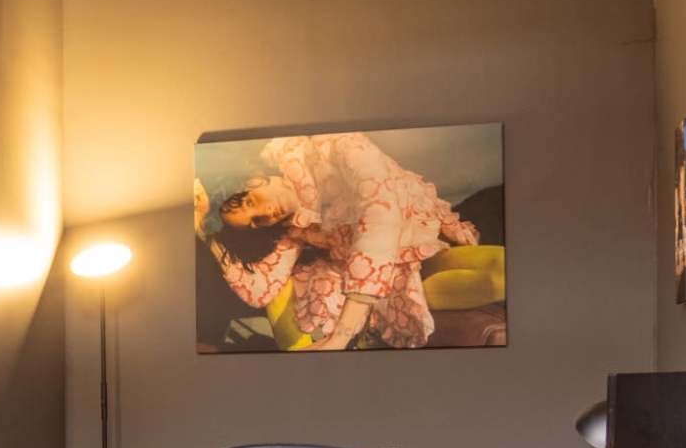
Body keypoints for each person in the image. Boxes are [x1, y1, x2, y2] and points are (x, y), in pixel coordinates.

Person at [198, 131, 482, 351]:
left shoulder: (336, 146)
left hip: (421, 237)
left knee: (485, 279)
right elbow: (259, 290)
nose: (265, 215)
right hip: (373, 273)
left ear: (253, 176)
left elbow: (380, 219)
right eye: (253, 224)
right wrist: (205, 233)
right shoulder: (294, 227)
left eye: (248, 201)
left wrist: (342, 334)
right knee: (297, 298)